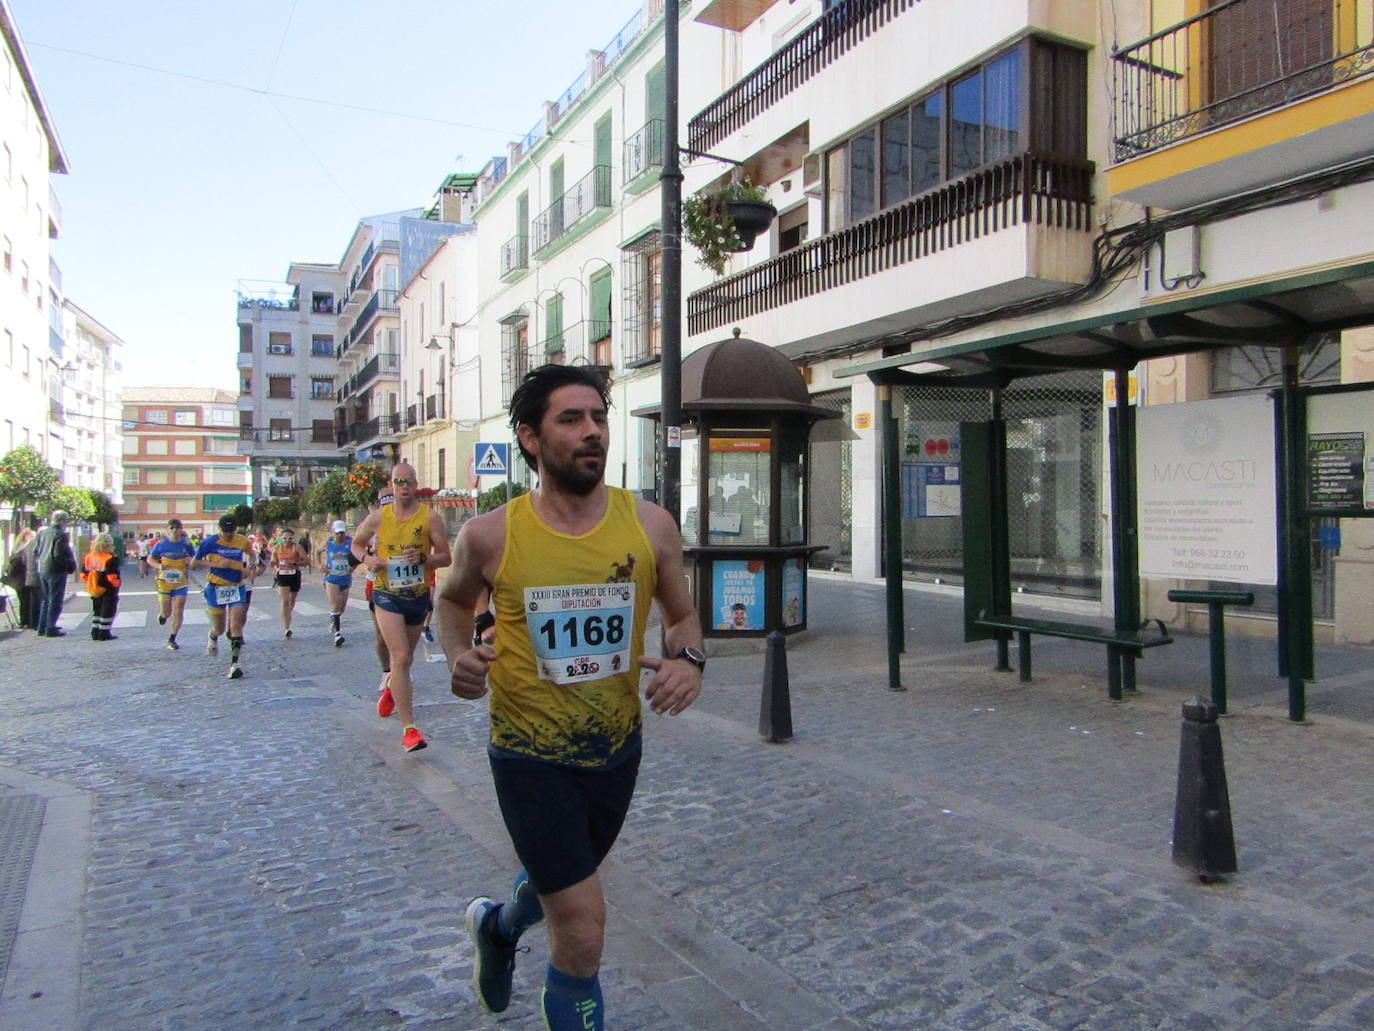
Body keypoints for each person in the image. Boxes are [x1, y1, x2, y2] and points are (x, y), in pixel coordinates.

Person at [435, 364, 704, 1031]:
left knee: (561, 882)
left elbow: (682, 618)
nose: (593, 433)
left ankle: (497, 927)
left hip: (615, 749)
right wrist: (459, 657)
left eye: (599, 418)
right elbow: (451, 600)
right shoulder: (493, 534)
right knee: (582, 925)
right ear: (529, 437)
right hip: (529, 753)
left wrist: (689, 662)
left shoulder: (650, 527)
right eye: (571, 419)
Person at [351, 464, 451, 752]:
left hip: (416, 594)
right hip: (386, 593)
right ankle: (410, 729)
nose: (404, 487)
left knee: (404, 663)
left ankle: (393, 686)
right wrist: (369, 561)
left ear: (416, 484)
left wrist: (424, 558)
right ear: (391, 485)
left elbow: (446, 557)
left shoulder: (429, 518)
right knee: (402, 654)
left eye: (408, 482)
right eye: (398, 482)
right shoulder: (378, 518)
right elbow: (356, 546)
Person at [193, 513, 258, 680]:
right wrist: (215, 564)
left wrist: (249, 568)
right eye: (225, 531)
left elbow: (252, 554)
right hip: (216, 587)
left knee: (236, 624)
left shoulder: (242, 540)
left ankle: (234, 665)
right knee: (220, 628)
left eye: (231, 531)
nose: (229, 534)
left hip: (236, 586)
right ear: (220, 529)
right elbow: (195, 563)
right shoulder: (209, 542)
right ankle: (213, 636)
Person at [150, 518, 196, 650]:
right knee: (167, 612)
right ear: (167, 530)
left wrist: (190, 562)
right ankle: (163, 615)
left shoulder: (186, 543)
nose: (175, 530)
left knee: (179, 608)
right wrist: (158, 565)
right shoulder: (161, 544)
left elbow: (194, 558)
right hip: (164, 582)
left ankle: (172, 638)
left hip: (180, 581)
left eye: (177, 528)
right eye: (172, 528)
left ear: (181, 529)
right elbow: (150, 558)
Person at [33, 510, 77, 637]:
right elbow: (58, 554)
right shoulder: (60, 534)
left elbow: (36, 551)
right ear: (63, 520)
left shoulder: (42, 533)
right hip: (56, 570)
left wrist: (40, 563)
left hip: (43, 569)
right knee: (55, 600)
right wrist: (69, 566)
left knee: (45, 599)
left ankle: (42, 627)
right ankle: (50, 627)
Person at [320, 519, 356, 646]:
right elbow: (317, 551)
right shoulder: (328, 542)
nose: (340, 536)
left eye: (342, 533)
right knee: (335, 605)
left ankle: (333, 621)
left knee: (341, 607)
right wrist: (320, 565)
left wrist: (353, 566)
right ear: (333, 532)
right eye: (338, 533)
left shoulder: (350, 541)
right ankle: (337, 635)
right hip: (331, 578)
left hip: (345, 577)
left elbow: (357, 555)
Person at [270, 527, 310, 638]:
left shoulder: (297, 547)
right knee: (284, 601)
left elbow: (307, 561)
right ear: (281, 538)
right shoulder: (277, 548)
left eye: (289, 538)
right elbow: (272, 561)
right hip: (282, 575)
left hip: (294, 575)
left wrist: (296, 563)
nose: (287, 540)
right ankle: (286, 627)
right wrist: (277, 566)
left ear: (293, 538)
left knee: (292, 601)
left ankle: (288, 614)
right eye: (285, 538)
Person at [82, 533, 122, 641]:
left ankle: (95, 632)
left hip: (94, 587)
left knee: (97, 610)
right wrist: (116, 585)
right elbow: (112, 576)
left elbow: (83, 574)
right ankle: (104, 633)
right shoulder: (110, 558)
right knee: (108, 610)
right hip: (108, 588)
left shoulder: (88, 557)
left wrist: (90, 583)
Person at [3, 527, 38, 629]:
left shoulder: (17, 549)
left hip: (20, 579)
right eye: (31, 537)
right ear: (25, 537)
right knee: (26, 601)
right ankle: (26, 621)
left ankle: (25, 621)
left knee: (24, 601)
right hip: (22, 579)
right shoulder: (22, 550)